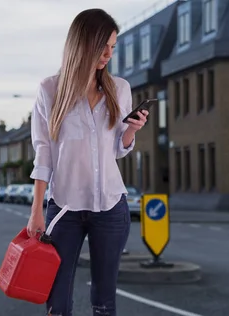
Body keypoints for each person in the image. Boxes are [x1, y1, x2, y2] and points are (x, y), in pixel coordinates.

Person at [26, 8, 149, 316]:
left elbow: (118, 151)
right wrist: (36, 211)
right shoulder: (50, 90)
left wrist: (131, 130)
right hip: (64, 208)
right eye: (103, 46)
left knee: (104, 299)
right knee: (58, 300)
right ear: (83, 44)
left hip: (110, 206)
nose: (109, 54)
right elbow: (44, 152)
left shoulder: (118, 88)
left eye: (113, 47)